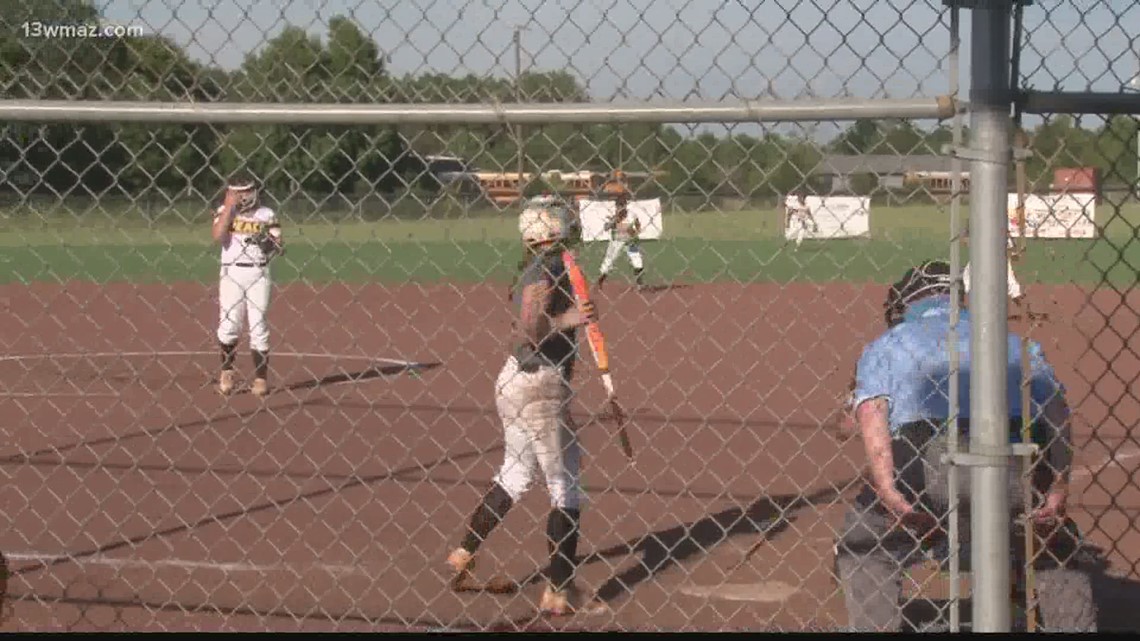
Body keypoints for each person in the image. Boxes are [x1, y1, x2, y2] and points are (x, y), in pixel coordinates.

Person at [833, 260, 1097, 632]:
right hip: (1015, 464)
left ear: (905, 304)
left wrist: (888, 488)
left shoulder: (889, 343)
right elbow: (1056, 412)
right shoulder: (1010, 341)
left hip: (925, 464)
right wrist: (1055, 488)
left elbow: (867, 415)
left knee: (864, 544)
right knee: (1055, 543)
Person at [446, 198, 604, 616]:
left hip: (517, 381)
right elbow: (531, 327)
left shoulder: (545, 263)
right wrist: (569, 322)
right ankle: (558, 589)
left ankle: (464, 552)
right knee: (565, 484)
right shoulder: (548, 266)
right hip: (540, 386)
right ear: (555, 227)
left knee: (515, 473)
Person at [211, 173, 284, 398]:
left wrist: (269, 243)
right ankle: (227, 372)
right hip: (232, 271)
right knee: (229, 324)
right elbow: (217, 236)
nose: (244, 196)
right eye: (238, 192)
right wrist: (229, 207)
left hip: (259, 272)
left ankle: (260, 379)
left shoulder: (266, 214)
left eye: (247, 190)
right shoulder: (224, 212)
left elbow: (279, 246)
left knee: (258, 325)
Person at [596, 171, 645, 291]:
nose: (620, 207)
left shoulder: (631, 214)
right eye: (618, 205)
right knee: (608, 262)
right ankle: (600, 282)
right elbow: (607, 227)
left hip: (630, 241)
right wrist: (611, 223)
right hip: (617, 240)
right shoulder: (614, 217)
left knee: (637, 260)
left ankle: (639, 284)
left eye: (621, 205)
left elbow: (638, 225)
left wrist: (636, 233)